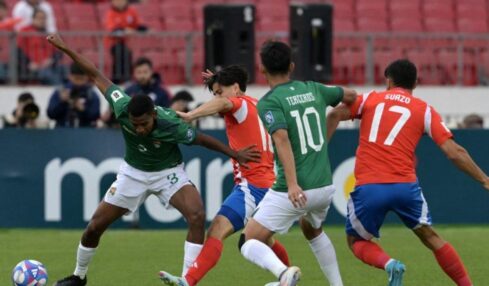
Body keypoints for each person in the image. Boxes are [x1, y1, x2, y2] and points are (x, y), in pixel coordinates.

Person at [46, 34, 261, 286]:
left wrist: (235, 154)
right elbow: (95, 74)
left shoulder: (169, 121)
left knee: (197, 215)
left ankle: (185, 280)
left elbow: (202, 139)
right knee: (95, 226)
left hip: (168, 173)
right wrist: (66, 47)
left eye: (144, 124)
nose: (139, 129)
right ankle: (78, 276)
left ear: (153, 116)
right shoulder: (121, 105)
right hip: (133, 173)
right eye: (135, 125)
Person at [327, 59, 489, 286]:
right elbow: (454, 152)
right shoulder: (424, 110)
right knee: (431, 237)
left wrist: (319, 153)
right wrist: (484, 180)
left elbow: (334, 115)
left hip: (370, 187)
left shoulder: (370, 100)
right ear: (415, 83)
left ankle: (389, 264)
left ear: (388, 80)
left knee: (355, 241)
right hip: (405, 187)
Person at [159, 65, 291, 286]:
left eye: (219, 91)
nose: (217, 97)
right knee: (264, 238)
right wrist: (219, 81)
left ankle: (188, 282)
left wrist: (192, 114)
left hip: (252, 186)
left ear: (237, 88)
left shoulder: (237, 104)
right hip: (270, 184)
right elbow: (224, 99)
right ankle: (288, 275)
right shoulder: (258, 105)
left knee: (217, 230)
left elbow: (226, 102)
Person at [239, 40, 357, 286]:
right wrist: (333, 118)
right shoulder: (314, 88)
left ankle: (284, 275)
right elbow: (351, 96)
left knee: (248, 241)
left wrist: (292, 184)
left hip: (294, 189)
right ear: (291, 66)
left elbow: (281, 139)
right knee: (311, 229)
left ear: (262, 69)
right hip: (324, 187)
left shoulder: (269, 102)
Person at [17, 8, 63, 84]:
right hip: (32, 68)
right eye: (39, 18)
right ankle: (60, 91)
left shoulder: (49, 33)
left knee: (65, 70)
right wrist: (28, 63)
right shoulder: (24, 31)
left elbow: (59, 51)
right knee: (48, 74)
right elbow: (18, 50)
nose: (42, 20)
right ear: (33, 18)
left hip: (49, 66)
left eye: (44, 18)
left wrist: (52, 59)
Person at [47, 63, 100, 127]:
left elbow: (96, 116)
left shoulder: (91, 94)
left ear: (87, 78)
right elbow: (50, 114)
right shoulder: (60, 91)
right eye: (76, 79)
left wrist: (83, 109)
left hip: (85, 133)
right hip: (62, 132)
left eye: (82, 79)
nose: (79, 83)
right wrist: (62, 102)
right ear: (70, 76)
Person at [105, 0, 146, 83]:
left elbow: (138, 25)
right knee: (120, 53)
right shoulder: (111, 13)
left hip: (128, 43)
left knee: (127, 53)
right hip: (113, 43)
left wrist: (145, 29)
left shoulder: (131, 11)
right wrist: (125, 30)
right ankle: (116, 80)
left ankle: (128, 79)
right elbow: (112, 29)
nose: (119, 2)